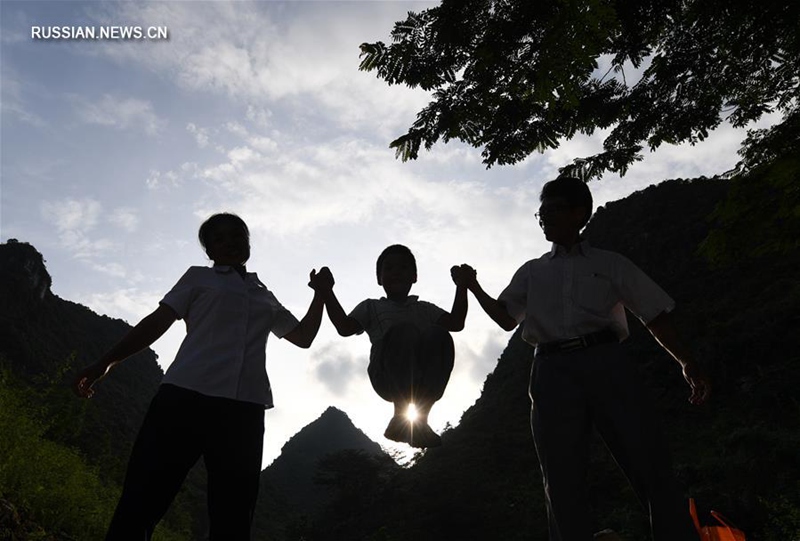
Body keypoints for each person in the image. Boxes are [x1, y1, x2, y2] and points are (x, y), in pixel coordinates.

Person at [463, 177, 711, 541]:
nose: (544, 218)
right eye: (541, 212)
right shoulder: (532, 271)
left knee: (646, 456)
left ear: (580, 213)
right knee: (559, 474)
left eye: (553, 209)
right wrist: (474, 287)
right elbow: (505, 317)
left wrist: (685, 361)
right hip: (550, 371)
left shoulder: (611, 264)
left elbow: (654, 314)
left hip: (607, 361)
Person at [73, 212, 332, 541]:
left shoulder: (264, 295)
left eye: (237, 234)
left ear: (248, 242)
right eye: (219, 238)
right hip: (184, 397)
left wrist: (320, 295)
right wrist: (106, 362)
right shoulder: (198, 278)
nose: (230, 242)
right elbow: (158, 322)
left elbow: (304, 336)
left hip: (244, 410)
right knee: (144, 497)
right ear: (209, 252)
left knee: (234, 514)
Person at [320, 244, 469, 448]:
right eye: (389, 268)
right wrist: (327, 291)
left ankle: (421, 421)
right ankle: (400, 415)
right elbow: (344, 327)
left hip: (422, 378)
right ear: (379, 278)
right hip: (386, 375)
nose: (396, 272)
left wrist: (462, 285)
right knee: (404, 331)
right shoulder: (371, 306)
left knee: (439, 334)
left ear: (414, 276)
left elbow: (456, 323)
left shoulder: (424, 309)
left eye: (403, 268)